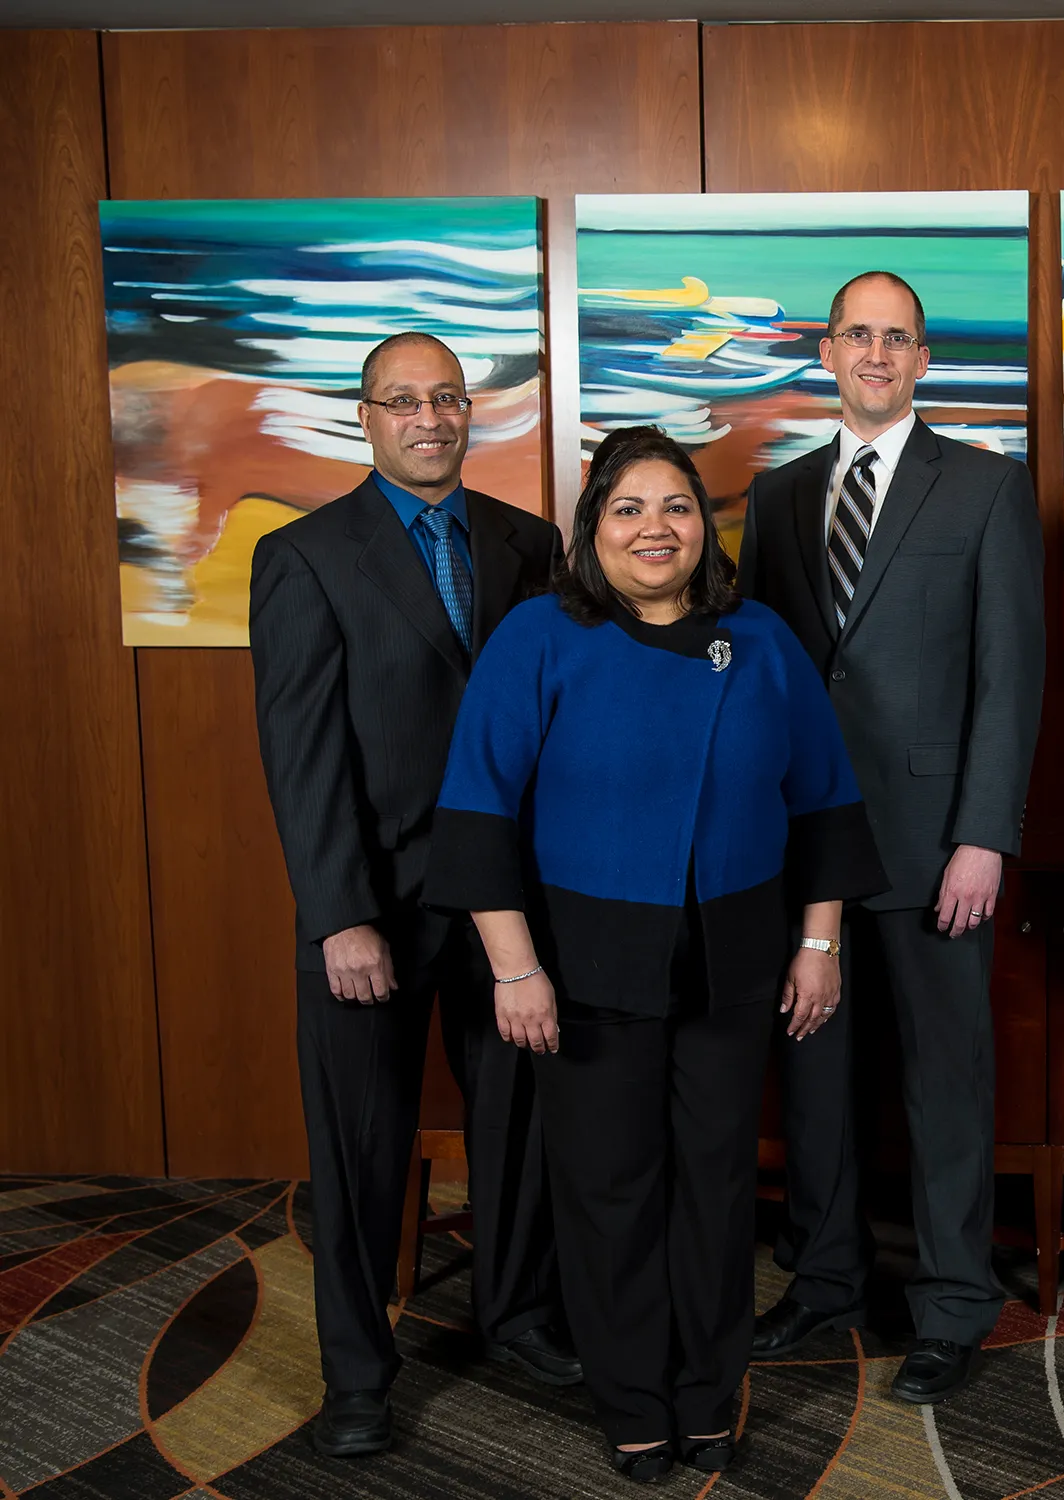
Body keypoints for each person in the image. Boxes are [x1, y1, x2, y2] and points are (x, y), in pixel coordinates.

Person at [422, 426, 886, 1483]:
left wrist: (820, 944)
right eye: (627, 508)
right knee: (611, 1188)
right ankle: (633, 1398)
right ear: (592, 531)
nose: (654, 527)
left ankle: (707, 1392)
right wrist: (514, 968)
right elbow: (478, 815)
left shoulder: (761, 639)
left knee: (719, 1188)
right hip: (584, 965)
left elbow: (824, 806)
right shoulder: (538, 638)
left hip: (736, 956)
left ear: (704, 527)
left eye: (675, 506)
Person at [251, 332, 575, 1460]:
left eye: (447, 398)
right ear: (366, 417)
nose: (431, 418)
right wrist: (338, 912)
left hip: (504, 908)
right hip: (372, 907)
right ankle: (357, 1375)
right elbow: (301, 754)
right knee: (359, 1152)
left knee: (520, 1124)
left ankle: (520, 1313)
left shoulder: (527, 543)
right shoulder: (305, 556)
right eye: (404, 402)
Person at [736, 271, 1045, 1403]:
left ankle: (955, 1300)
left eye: (897, 338)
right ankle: (825, 1279)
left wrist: (985, 837)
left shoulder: (985, 489)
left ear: (924, 360)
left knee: (944, 1081)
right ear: (828, 350)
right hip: (806, 844)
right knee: (814, 1078)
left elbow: (1012, 679)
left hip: (936, 846)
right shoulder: (776, 498)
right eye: (857, 335)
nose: (876, 353)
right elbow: (768, 676)